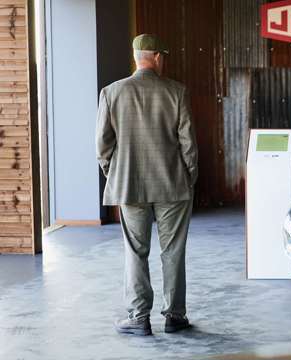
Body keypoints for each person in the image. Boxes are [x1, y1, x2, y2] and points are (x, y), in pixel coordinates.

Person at [96, 34, 198, 336]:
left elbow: (103, 146)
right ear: (155, 57)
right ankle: (175, 316)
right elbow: (188, 143)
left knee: (135, 251)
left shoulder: (112, 93)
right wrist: (188, 178)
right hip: (173, 184)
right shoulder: (177, 91)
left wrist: (114, 173)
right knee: (173, 251)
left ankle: (139, 317)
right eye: (162, 56)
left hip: (129, 185)